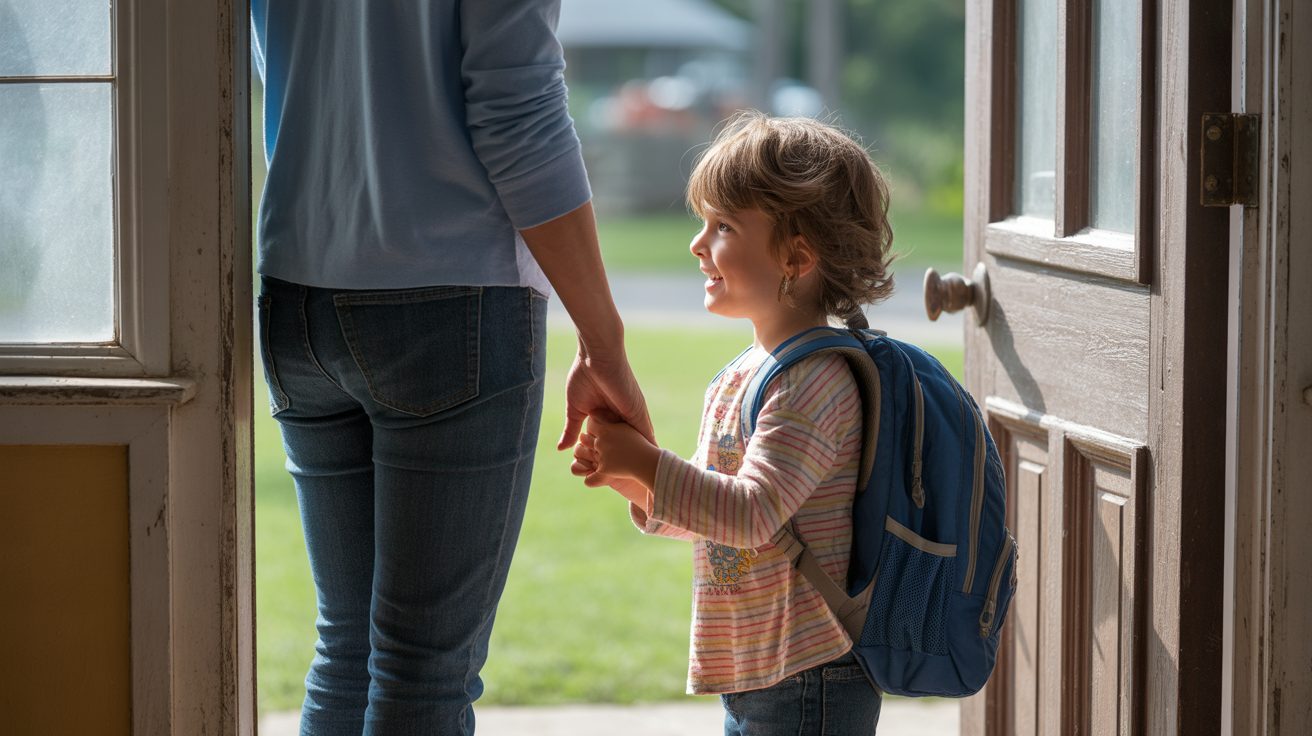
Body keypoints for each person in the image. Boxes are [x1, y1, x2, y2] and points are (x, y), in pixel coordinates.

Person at [250, 1, 650, 733]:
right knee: (421, 671)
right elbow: (517, 110)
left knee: (348, 652)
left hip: (296, 286)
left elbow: (278, 64)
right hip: (449, 296)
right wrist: (603, 338)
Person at [572, 112, 895, 736]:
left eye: (722, 226)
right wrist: (632, 480)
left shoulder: (813, 380)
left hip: (811, 673)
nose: (697, 244)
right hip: (761, 664)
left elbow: (751, 515)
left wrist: (645, 464)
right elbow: (719, 514)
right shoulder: (745, 372)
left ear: (796, 257)